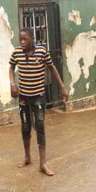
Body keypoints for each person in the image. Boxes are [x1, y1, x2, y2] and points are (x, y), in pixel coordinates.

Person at [9, 27, 68, 176]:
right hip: (23, 98)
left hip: (38, 98)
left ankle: (43, 163)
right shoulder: (16, 53)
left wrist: (62, 88)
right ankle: (27, 157)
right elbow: (11, 67)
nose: (22, 42)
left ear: (32, 39)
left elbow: (52, 68)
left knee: (40, 127)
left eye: (25, 39)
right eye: (20, 39)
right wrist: (12, 84)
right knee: (25, 126)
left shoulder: (42, 52)